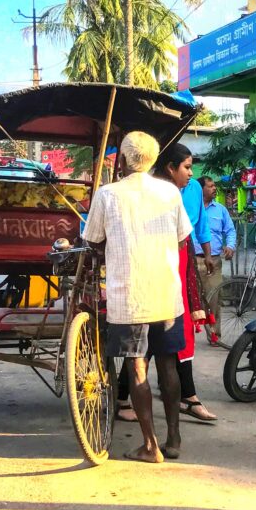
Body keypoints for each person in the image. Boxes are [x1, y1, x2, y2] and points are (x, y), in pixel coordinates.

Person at [82, 131, 192, 463]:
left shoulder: (108, 194)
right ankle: (173, 438)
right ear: (155, 158)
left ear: (125, 159)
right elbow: (183, 239)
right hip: (165, 293)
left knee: (137, 366)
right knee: (168, 364)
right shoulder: (171, 193)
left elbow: (92, 240)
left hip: (128, 296)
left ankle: (150, 445)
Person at [155, 144, 218, 423]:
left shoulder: (192, 190)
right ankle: (123, 397)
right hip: (161, 262)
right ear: (170, 167)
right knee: (152, 341)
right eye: (187, 167)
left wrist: (206, 254)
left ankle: (189, 397)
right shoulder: (156, 192)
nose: (191, 174)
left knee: (181, 335)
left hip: (184, 256)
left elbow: (198, 226)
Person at [196, 176, 237, 347]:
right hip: (192, 259)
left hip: (213, 260)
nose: (214, 189)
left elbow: (230, 230)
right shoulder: (191, 209)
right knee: (194, 300)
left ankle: (214, 334)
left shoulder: (220, 210)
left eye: (214, 186)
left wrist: (230, 246)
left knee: (213, 299)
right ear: (201, 189)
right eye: (210, 186)